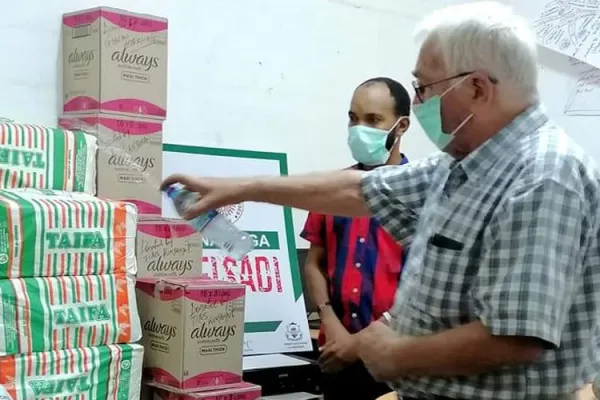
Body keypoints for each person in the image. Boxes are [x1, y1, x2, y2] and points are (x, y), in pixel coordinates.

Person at [161, 2, 600, 398]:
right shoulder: (462, 165)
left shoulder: (543, 176)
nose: (422, 100)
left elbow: (515, 339)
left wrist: (396, 355)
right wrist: (237, 188)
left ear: (478, 88)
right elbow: (359, 189)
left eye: (424, 87)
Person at [302, 77, 410, 400]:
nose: (359, 128)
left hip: (396, 359)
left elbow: (424, 287)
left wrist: (360, 343)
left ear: (401, 126)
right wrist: (329, 319)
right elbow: (313, 264)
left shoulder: (420, 195)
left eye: (373, 120)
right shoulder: (333, 191)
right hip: (335, 354)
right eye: (353, 117)